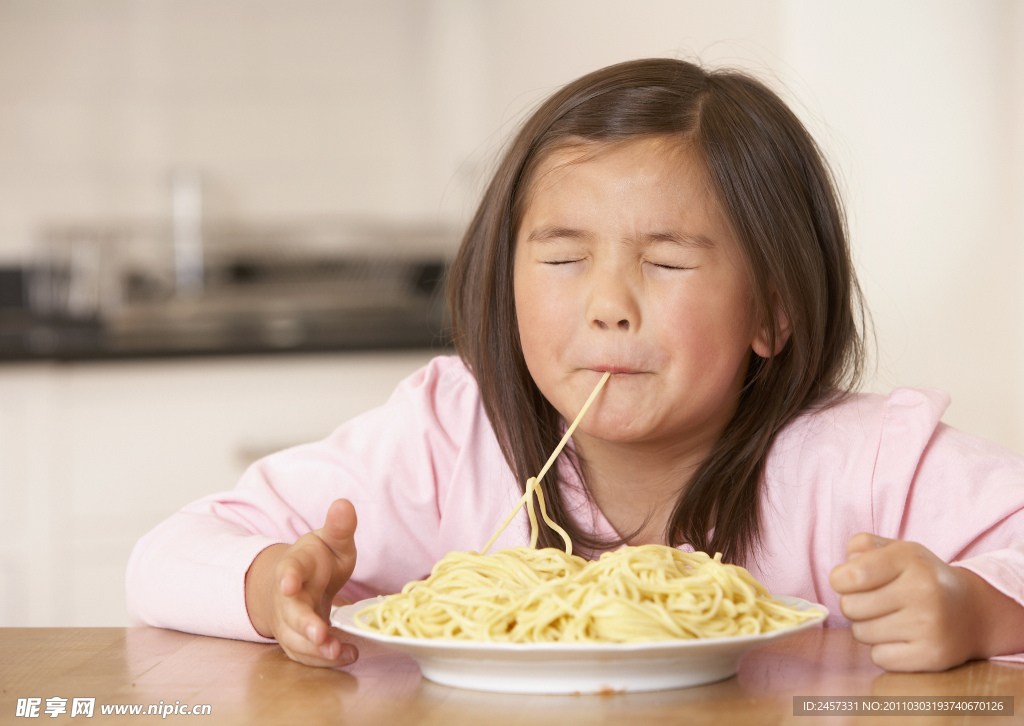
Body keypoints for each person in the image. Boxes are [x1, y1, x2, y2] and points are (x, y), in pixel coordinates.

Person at [126, 57, 1024, 673]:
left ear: (774, 308)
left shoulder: (864, 465)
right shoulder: (445, 440)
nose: (609, 303)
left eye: (666, 262)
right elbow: (164, 557)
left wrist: (980, 609)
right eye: (563, 260)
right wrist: (272, 583)